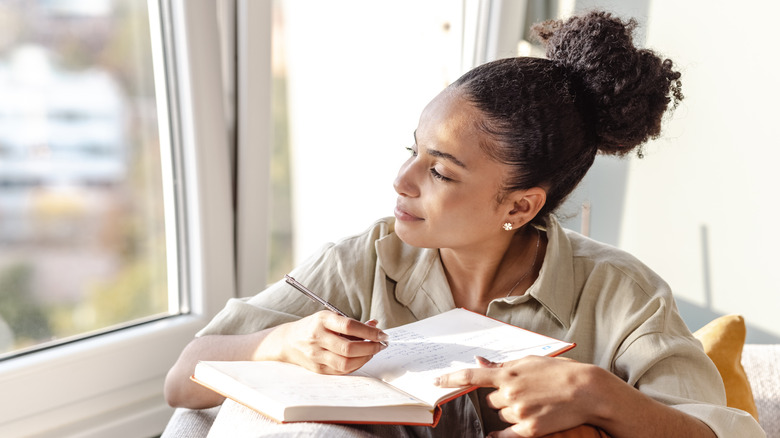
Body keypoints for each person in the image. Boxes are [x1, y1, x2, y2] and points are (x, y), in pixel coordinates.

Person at [164, 11, 765, 438]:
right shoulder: (361, 261)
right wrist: (278, 345)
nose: (402, 181)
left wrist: (599, 397)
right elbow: (182, 380)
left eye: (441, 172)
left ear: (519, 207)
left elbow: (723, 432)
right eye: (413, 150)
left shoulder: (620, 293)